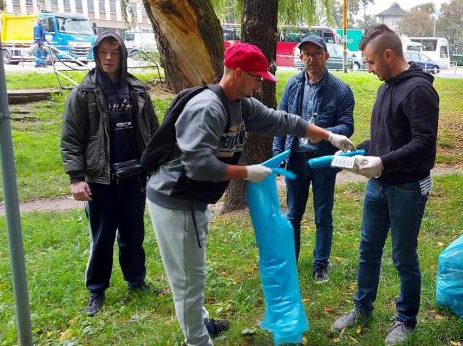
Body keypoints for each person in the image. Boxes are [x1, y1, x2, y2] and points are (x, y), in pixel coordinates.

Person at [145, 43, 355, 346]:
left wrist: (329, 135)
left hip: (194, 199)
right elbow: (198, 164)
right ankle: (197, 340)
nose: (260, 86)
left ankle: (198, 320)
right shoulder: (209, 108)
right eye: (257, 79)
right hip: (175, 200)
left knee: (192, 270)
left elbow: (284, 121)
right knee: (188, 280)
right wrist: (246, 173)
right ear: (239, 73)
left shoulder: (240, 103)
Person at [330, 24, 439, 345]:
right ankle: (362, 308)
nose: (368, 67)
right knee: (368, 249)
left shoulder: (419, 90)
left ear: (388, 55)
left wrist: (384, 162)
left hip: (406, 186)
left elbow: (424, 143)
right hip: (378, 185)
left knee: (403, 255)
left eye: (370, 61)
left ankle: (406, 320)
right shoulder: (386, 86)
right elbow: (386, 138)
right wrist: (360, 149)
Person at [60, 32, 160, 317]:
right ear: (96, 54)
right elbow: (71, 139)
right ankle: (96, 290)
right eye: (103, 52)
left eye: (114, 53)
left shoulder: (137, 91)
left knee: (133, 233)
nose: (108, 58)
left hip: (133, 177)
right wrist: (76, 178)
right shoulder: (84, 93)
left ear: (123, 55)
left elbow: (152, 132)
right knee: (102, 236)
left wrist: (155, 164)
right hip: (99, 179)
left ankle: (136, 280)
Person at [272, 35, 355, 283]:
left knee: (323, 214)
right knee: (293, 214)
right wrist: (278, 155)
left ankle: (320, 266)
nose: (311, 58)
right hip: (296, 157)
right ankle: (291, 261)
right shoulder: (293, 84)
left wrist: (328, 135)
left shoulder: (341, 89)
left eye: (316, 53)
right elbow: (281, 120)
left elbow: (347, 125)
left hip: (323, 161)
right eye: (306, 54)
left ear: (326, 56)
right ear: (301, 57)